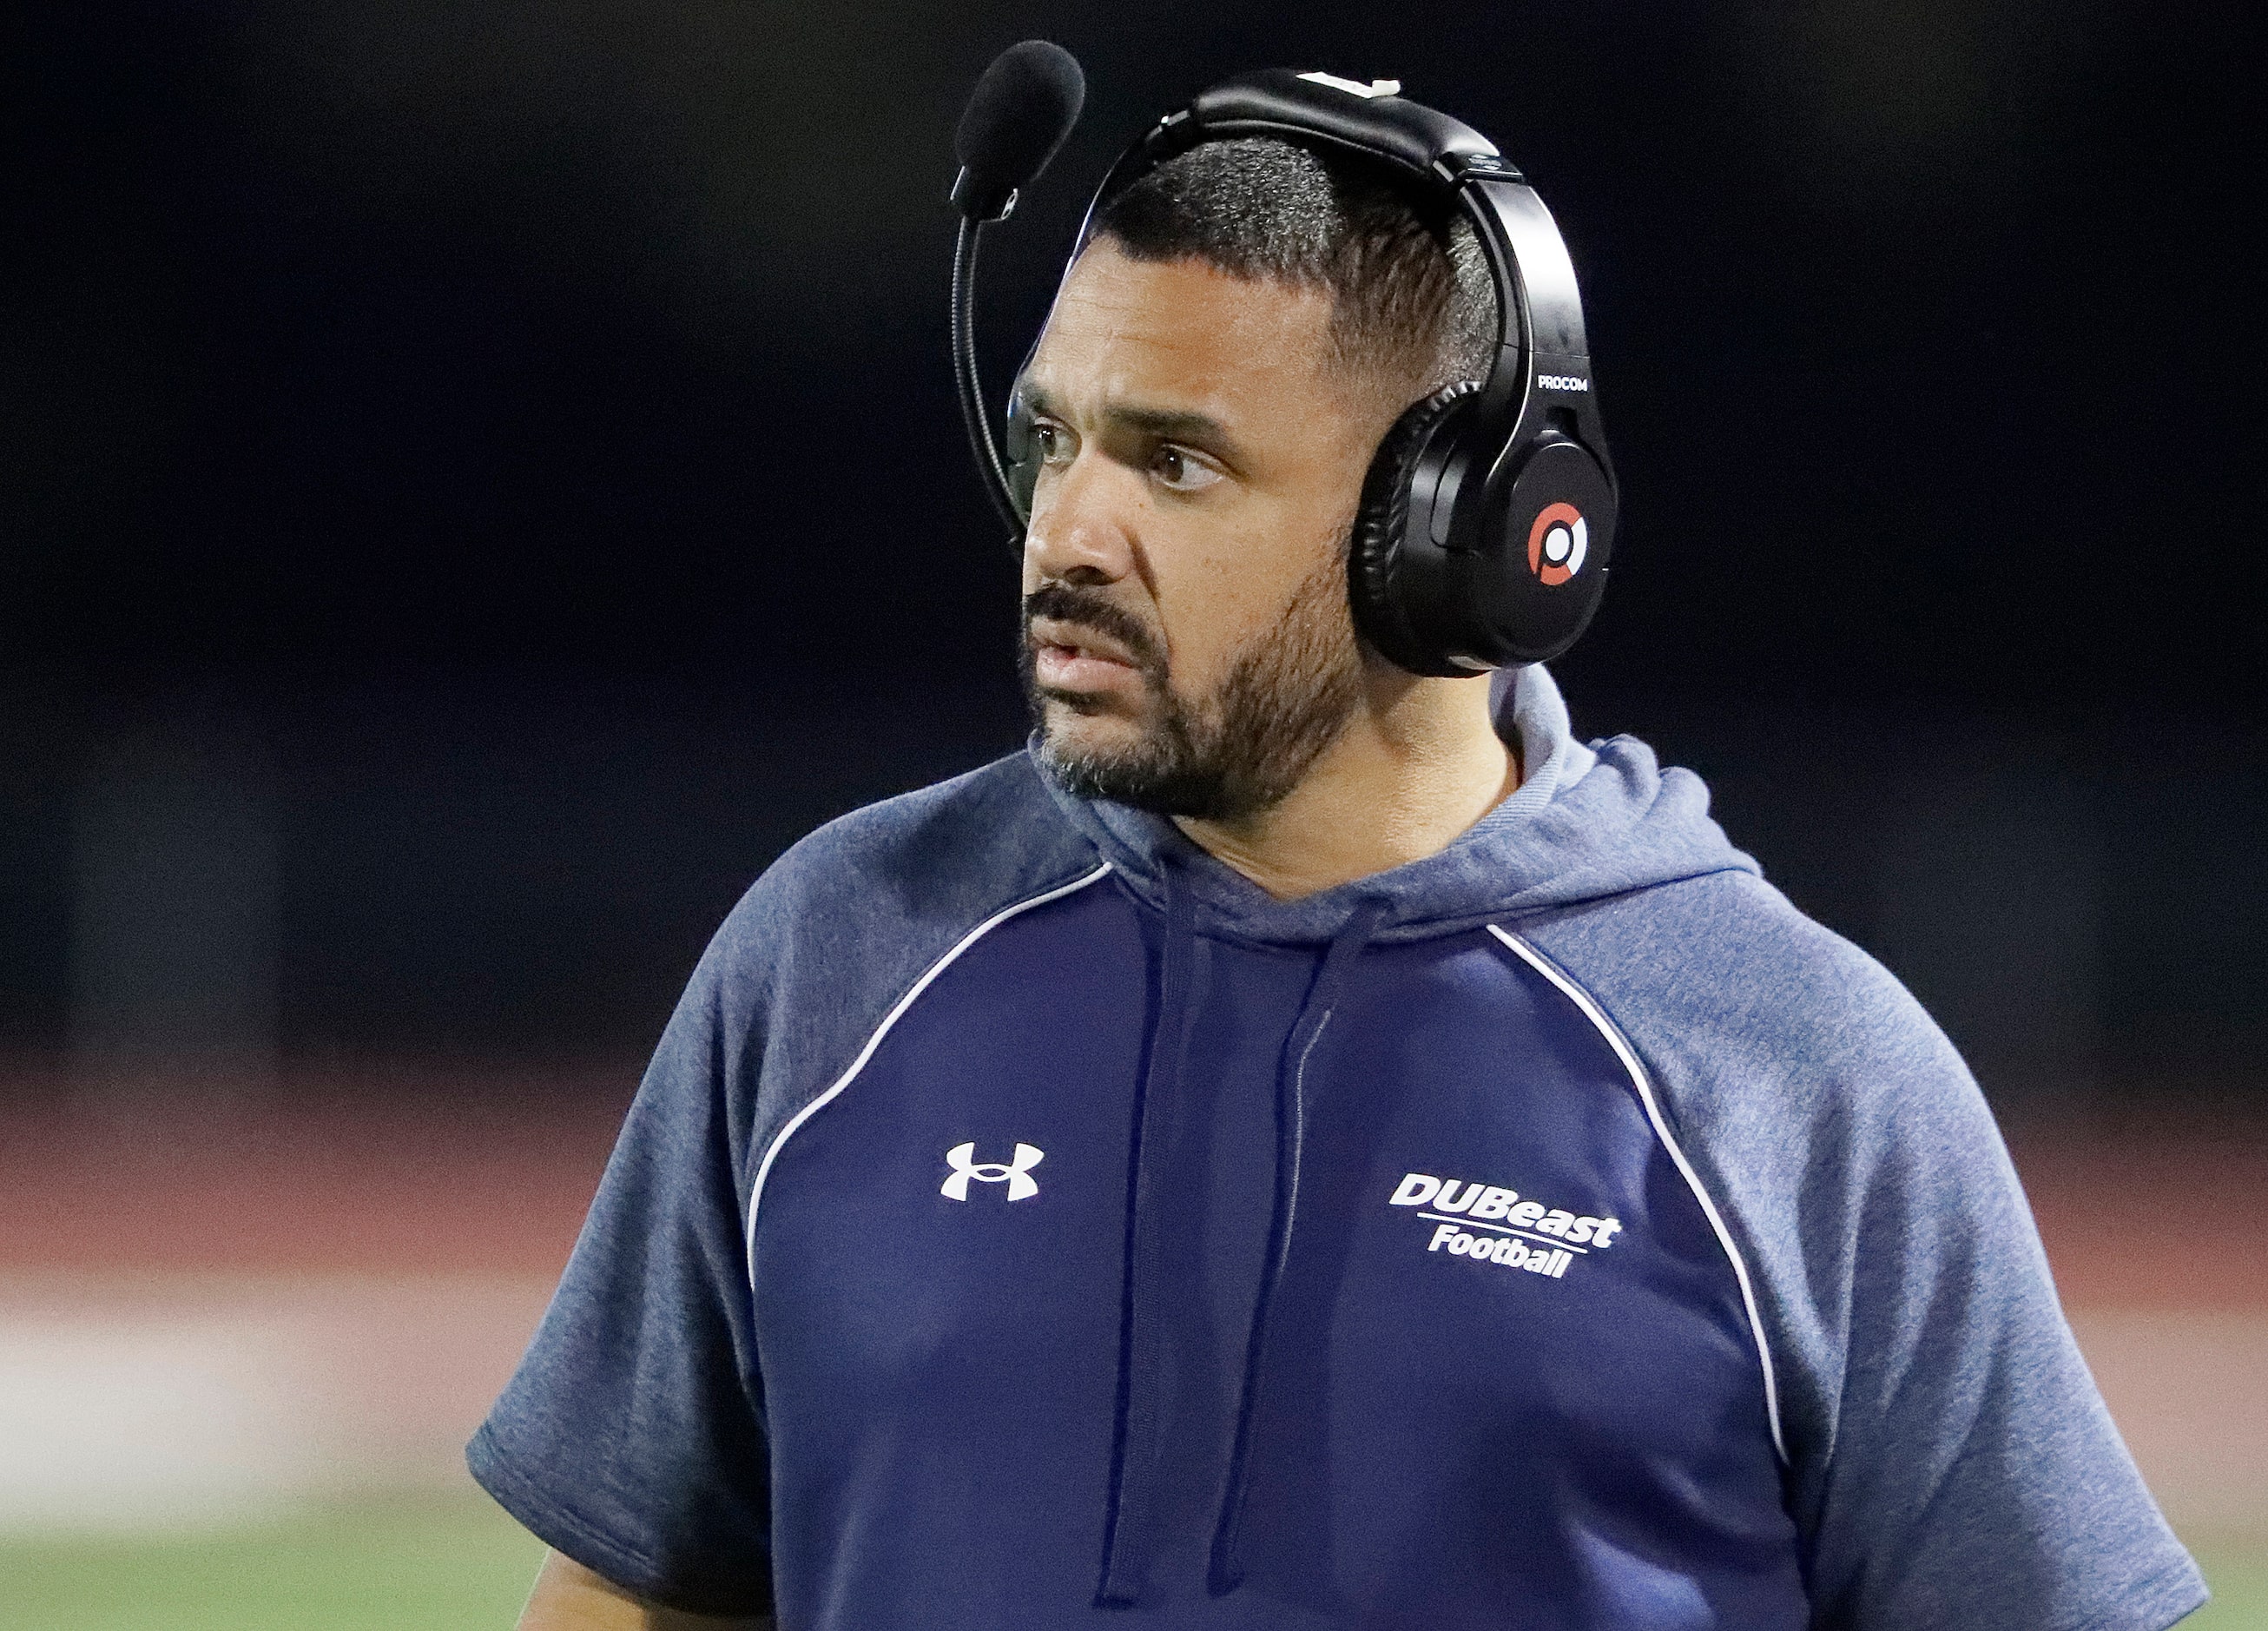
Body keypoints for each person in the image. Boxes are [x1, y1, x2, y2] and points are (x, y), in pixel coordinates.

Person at [471, 129, 2205, 1631]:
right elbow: (649, 1581)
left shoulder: (1796, 1073)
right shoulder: (841, 951)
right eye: (1051, 440)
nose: (1066, 534)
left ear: (1449, 534)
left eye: (1176, 460)